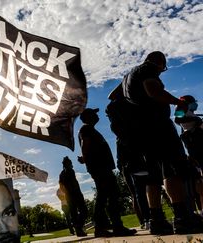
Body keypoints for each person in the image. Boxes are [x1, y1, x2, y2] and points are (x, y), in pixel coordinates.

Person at [121, 51, 203, 234]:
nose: (161, 72)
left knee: (153, 175)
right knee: (172, 170)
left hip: (142, 131)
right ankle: (183, 217)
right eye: (163, 68)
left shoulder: (128, 77)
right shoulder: (147, 70)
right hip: (159, 128)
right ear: (159, 62)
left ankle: (157, 220)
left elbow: (114, 96)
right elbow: (153, 90)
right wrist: (177, 102)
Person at [78, 108, 137, 237]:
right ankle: (106, 227)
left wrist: (85, 158)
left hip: (102, 168)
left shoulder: (90, 129)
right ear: (88, 116)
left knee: (109, 196)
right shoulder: (86, 129)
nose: (97, 115)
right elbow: (85, 144)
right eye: (94, 113)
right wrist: (84, 157)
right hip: (100, 168)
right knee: (106, 196)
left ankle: (113, 226)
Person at [106, 84, 151, 230]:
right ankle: (146, 219)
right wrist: (125, 83)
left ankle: (148, 218)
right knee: (139, 192)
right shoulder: (121, 126)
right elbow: (111, 97)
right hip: (132, 161)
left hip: (132, 160)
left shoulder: (121, 125)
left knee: (142, 191)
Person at [174, 95, 203, 216]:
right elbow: (177, 119)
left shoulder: (190, 112)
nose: (195, 104)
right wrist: (197, 121)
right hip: (196, 145)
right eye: (193, 102)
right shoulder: (182, 107)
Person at [59, 156, 88, 236]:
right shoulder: (70, 171)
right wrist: (76, 192)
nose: (72, 165)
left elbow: (61, 186)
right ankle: (79, 227)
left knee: (74, 213)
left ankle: (78, 230)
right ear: (68, 164)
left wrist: (66, 193)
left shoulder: (61, 174)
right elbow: (74, 184)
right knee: (84, 211)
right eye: (71, 163)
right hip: (76, 194)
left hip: (69, 196)